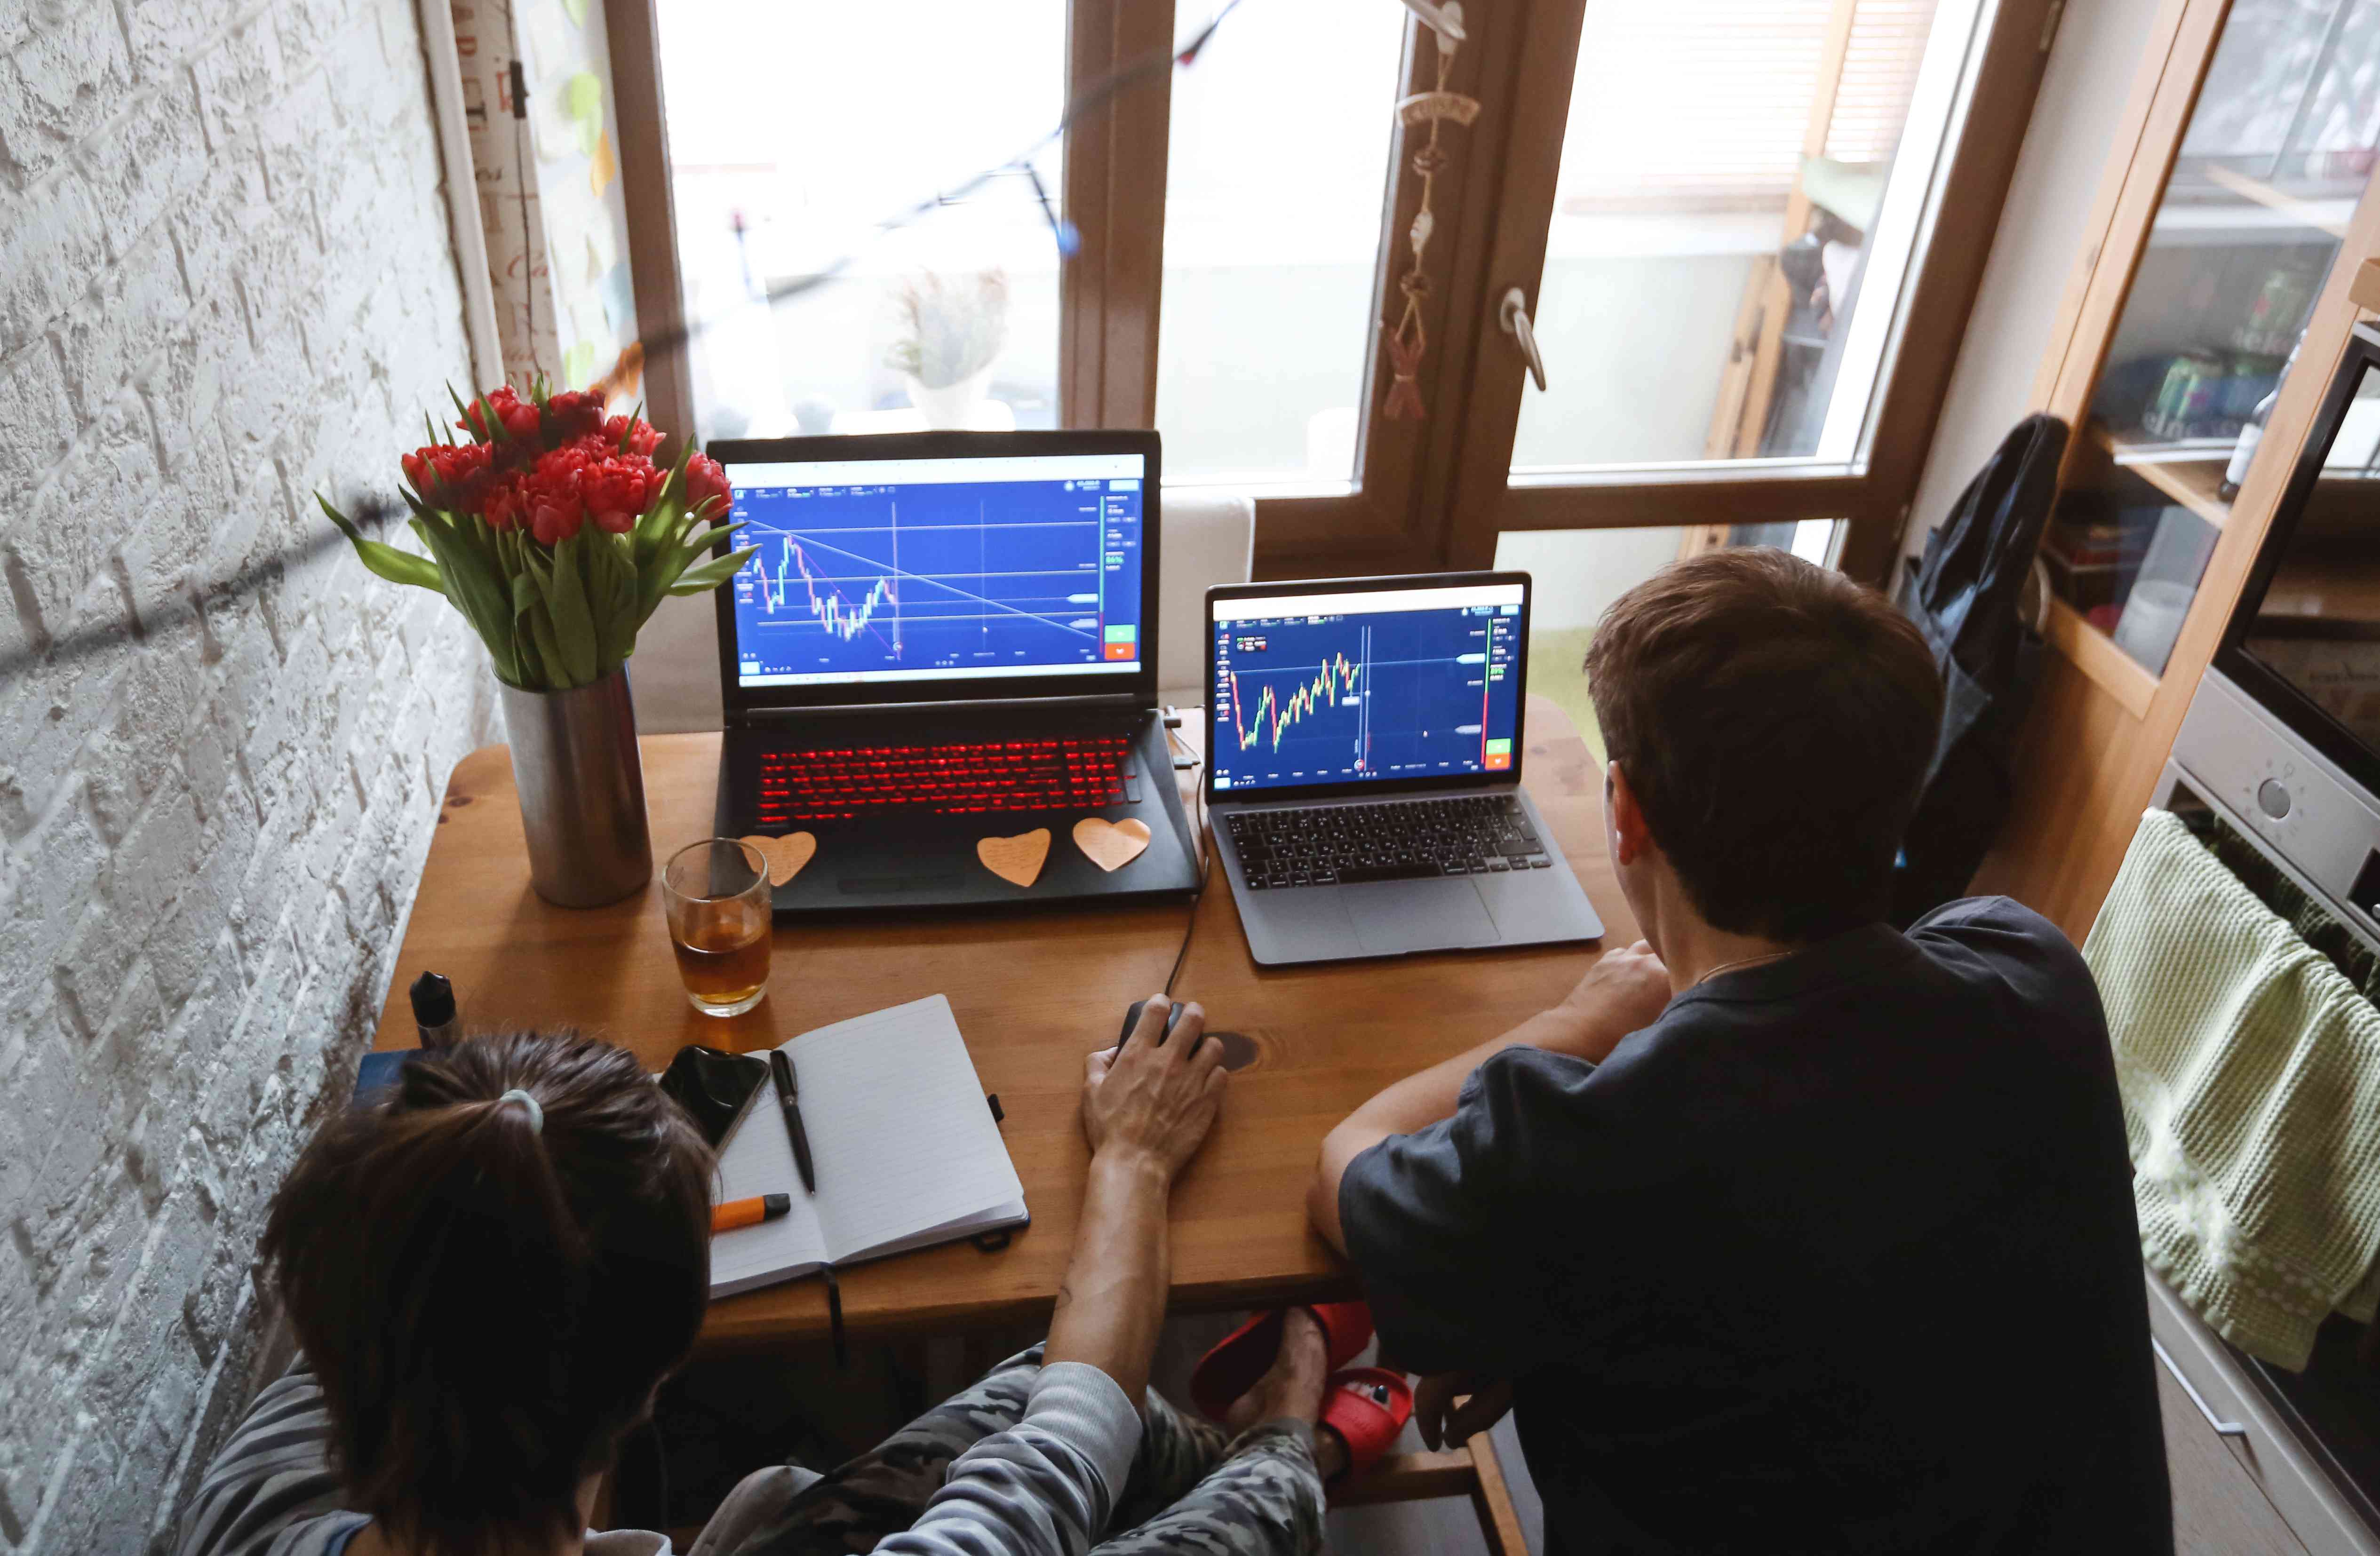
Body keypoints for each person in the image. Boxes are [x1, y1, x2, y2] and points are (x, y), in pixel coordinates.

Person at [1307, 548, 2173, 1555]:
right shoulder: (2031, 972)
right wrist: (1542, 1301)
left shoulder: (1593, 1145)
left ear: (1623, 812)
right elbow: (1812, 1232)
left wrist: (1580, 1023)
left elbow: (1348, 1158)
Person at [179, 1005, 1338, 1556]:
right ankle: (1297, 1440)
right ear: (652, 1387)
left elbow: (435, 1259)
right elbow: (1067, 1437)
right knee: (1233, 1505)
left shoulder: (248, 1499)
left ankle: (1216, 1440)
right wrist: (1131, 1153)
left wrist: (580, 1179)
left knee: (1056, 1395)